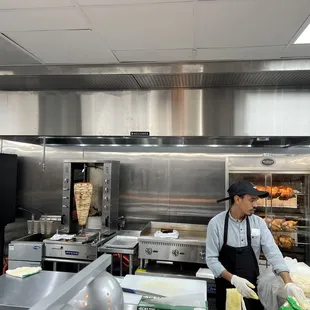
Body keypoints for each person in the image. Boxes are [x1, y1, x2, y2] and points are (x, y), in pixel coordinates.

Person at [206, 180, 309, 310]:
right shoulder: (216, 224)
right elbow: (211, 259)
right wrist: (234, 279)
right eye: (252, 200)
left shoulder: (258, 223)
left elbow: (273, 252)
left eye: (256, 200)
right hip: (226, 289)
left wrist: (288, 282)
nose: (255, 204)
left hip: (252, 289)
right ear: (237, 199)